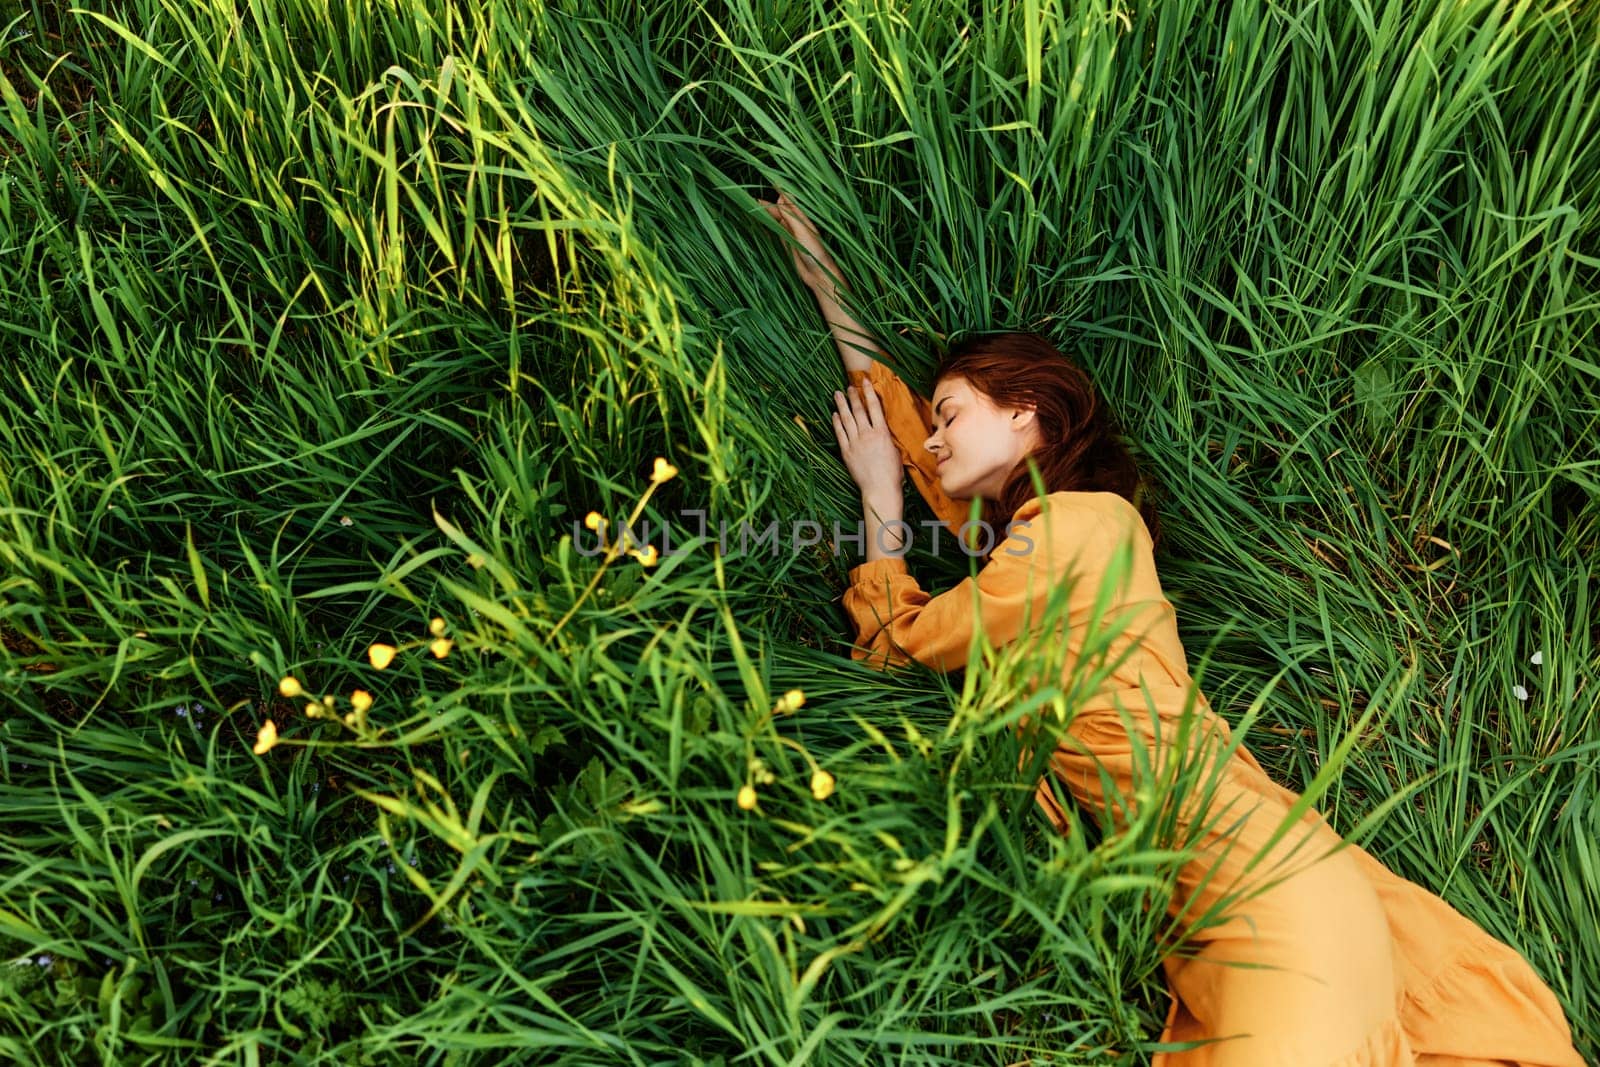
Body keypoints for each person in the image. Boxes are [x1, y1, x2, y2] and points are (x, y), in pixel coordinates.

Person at [760, 189, 1586, 1067]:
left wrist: (879, 506)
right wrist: (827, 288)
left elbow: (902, 646)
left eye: (953, 413)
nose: (932, 442)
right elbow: (921, 450)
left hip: (1267, 904)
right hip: (1273, 901)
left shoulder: (1077, 530)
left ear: (1025, 411)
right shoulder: (1055, 545)